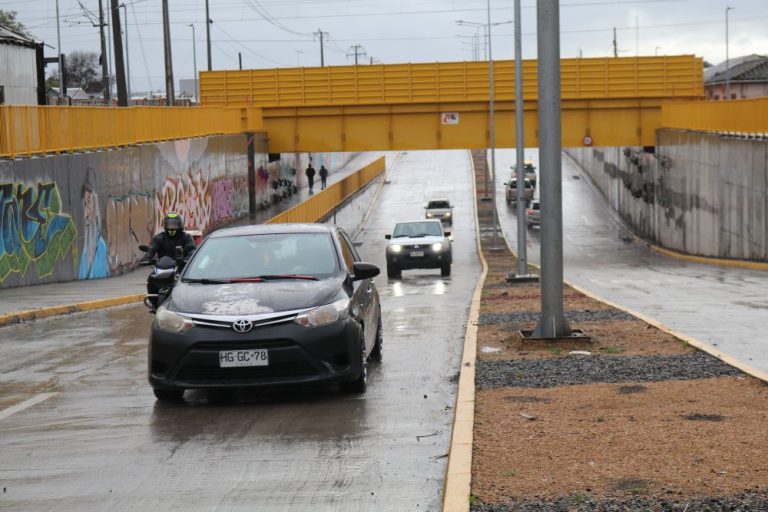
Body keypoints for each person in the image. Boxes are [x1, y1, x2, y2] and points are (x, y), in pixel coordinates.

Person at [141, 212, 197, 294]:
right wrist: (147, 257)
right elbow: (152, 249)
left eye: (174, 224)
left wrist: (188, 258)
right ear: (165, 225)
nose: (172, 227)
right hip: (163, 267)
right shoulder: (159, 238)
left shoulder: (186, 237)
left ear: (180, 225)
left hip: (181, 266)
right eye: (170, 224)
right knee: (151, 277)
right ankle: (152, 298)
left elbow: (191, 249)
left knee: (191, 280)